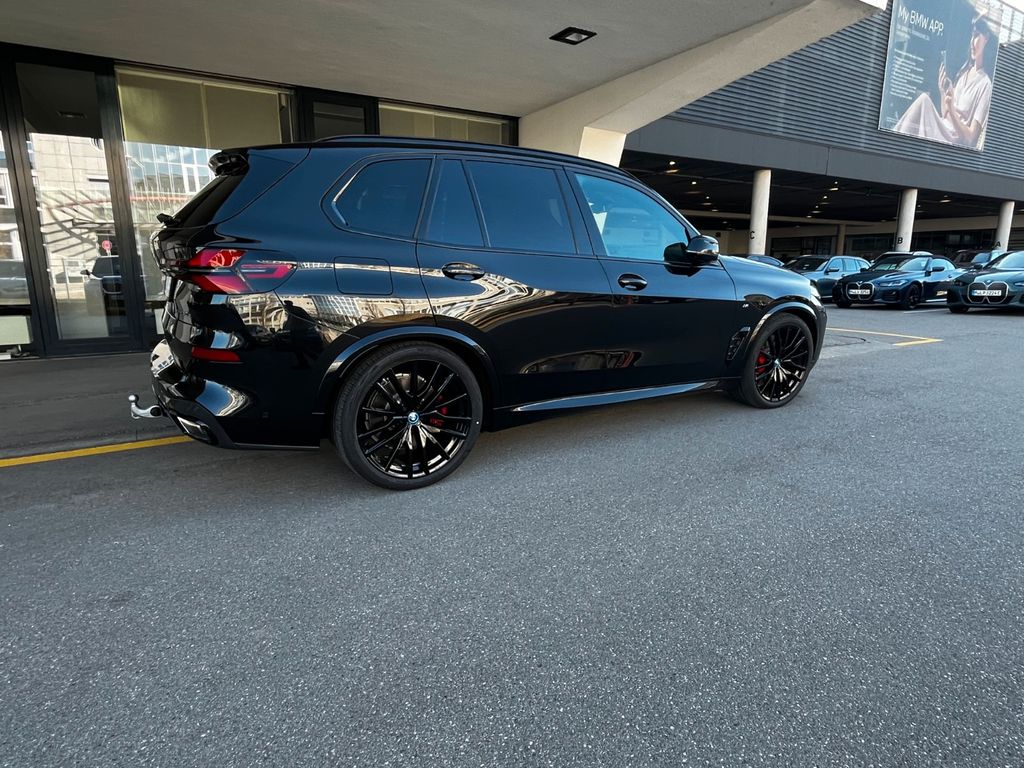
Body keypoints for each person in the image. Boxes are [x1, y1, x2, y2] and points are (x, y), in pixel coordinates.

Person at [894, 16, 996, 148]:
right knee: (923, 101)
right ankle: (893, 144)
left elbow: (970, 139)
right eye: (972, 36)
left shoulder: (985, 85)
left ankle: (891, 145)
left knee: (924, 101)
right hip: (944, 128)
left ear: (986, 38)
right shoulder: (964, 73)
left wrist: (952, 109)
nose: (971, 42)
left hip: (953, 140)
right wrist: (943, 91)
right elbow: (946, 115)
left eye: (976, 36)